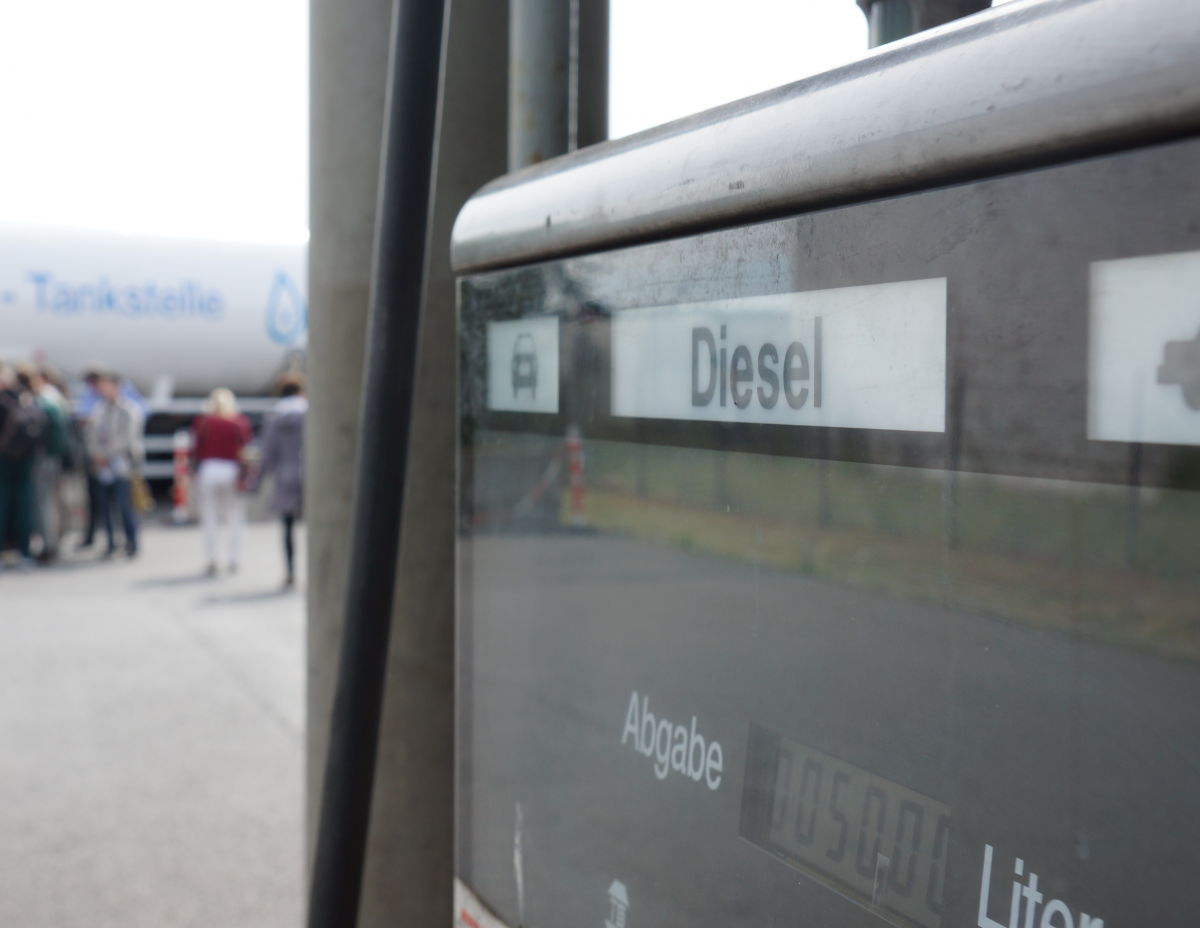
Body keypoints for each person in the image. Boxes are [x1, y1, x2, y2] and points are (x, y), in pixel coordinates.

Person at [75, 365, 147, 551]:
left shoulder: (128, 410)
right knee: (105, 505)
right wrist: (97, 454)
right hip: (103, 465)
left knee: (125, 504)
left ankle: (131, 541)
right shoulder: (99, 409)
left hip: (121, 463)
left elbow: (128, 437)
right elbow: (91, 435)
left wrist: (107, 453)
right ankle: (110, 542)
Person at [191, 388, 252, 575]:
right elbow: (245, 449)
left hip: (209, 470)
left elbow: (196, 449)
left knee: (210, 517)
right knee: (233, 517)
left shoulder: (203, 423)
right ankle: (233, 558)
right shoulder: (238, 422)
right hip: (230, 470)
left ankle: (212, 558)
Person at [253, 373, 306, 586]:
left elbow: (267, 452)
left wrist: (255, 483)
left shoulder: (274, 415)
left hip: (285, 473)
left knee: (288, 526)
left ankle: (291, 571)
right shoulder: (309, 411)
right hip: (309, 472)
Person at [15, 364, 69, 562]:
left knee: (43, 501)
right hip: (53, 456)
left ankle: (49, 544)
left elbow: (50, 431)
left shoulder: (43, 400)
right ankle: (55, 540)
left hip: (45, 456)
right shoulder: (53, 396)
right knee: (52, 500)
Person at [0, 363, 47, 570]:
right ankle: (24, 553)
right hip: (26, 460)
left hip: (4, 461)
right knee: (24, 508)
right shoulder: (26, 398)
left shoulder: (3, 402)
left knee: (2, 507)